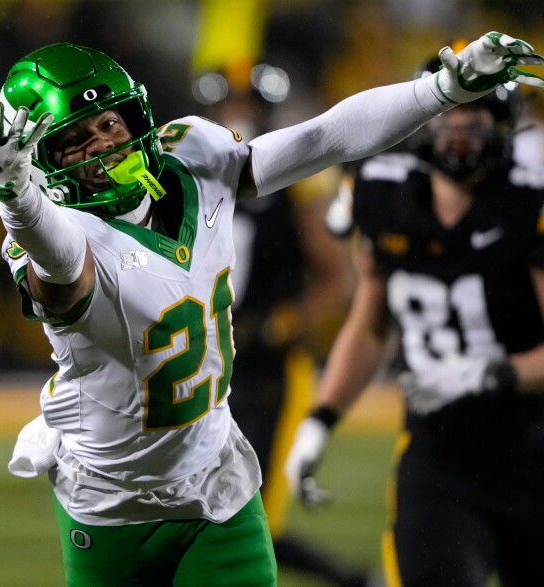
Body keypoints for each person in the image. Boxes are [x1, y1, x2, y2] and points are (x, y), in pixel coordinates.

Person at [0, 32, 544, 587]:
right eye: (76, 140)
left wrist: (441, 91)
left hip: (215, 481)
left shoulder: (193, 156)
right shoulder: (45, 230)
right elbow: (64, 276)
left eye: (109, 122)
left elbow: (321, 139)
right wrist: (16, 196)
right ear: (41, 162)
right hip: (109, 501)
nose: (104, 144)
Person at [284, 48, 544, 587]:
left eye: (477, 114)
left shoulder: (534, 202)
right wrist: (321, 420)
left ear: (504, 124)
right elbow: (370, 326)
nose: (459, 128)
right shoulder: (382, 194)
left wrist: (490, 373)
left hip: (529, 456)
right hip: (436, 459)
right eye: (448, 112)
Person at [192, 65, 371, 586]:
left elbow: (339, 279)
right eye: (227, 108)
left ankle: (355, 580)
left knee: (251, 516)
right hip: (199, 368)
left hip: (265, 371)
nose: (236, 119)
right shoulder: (184, 173)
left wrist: (282, 323)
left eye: (246, 107)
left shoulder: (294, 175)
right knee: (191, 508)